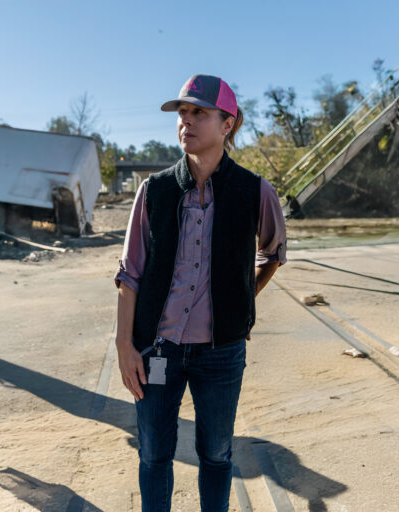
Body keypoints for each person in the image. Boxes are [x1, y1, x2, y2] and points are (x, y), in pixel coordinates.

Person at [113, 73, 287, 512]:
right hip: (155, 350)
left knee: (216, 454)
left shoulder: (254, 191)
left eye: (198, 113)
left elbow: (273, 253)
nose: (185, 122)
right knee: (153, 454)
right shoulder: (154, 191)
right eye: (182, 113)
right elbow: (130, 273)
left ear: (226, 124)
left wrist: (241, 302)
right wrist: (124, 346)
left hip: (221, 354)